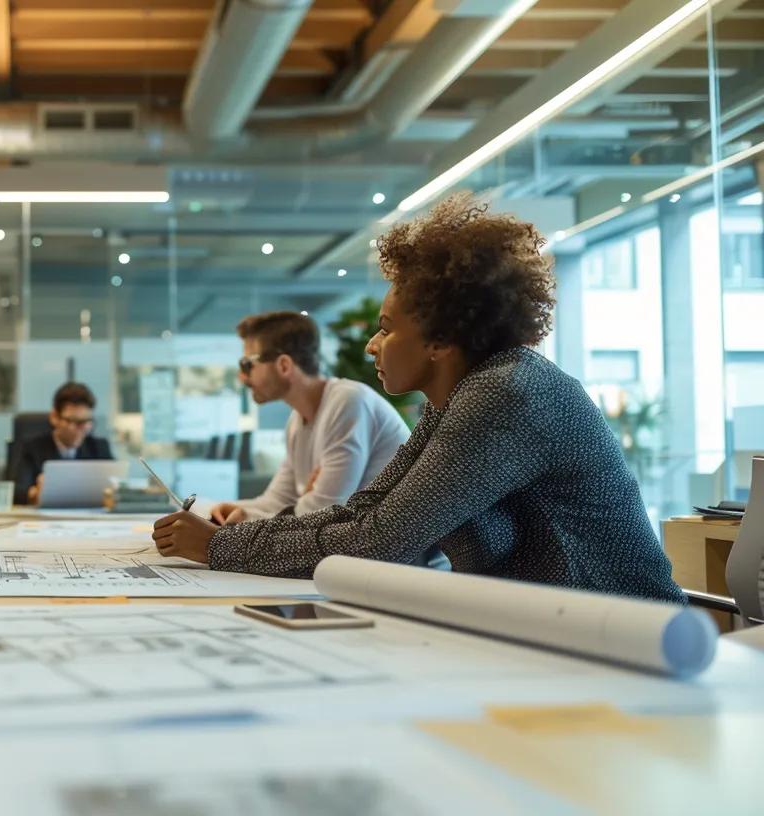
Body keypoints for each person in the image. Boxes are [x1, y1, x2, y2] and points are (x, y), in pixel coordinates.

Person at [152, 195, 685, 603]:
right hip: (552, 634)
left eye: (386, 329)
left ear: (440, 341)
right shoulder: (456, 398)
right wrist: (232, 539)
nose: (371, 344)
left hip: (628, 645)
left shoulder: (506, 395)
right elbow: (367, 511)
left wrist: (219, 546)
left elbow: (381, 540)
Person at [208, 312, 407, 525]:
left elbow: (326, 513)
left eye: (247, 364)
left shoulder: (348, 402)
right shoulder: (297, 420)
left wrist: (300, 503)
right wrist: (237, 510)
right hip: (354, 550)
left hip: (391, 556)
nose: (242, 376)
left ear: (284, 365)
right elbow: (277, 501)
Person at [13, 382, 114, 505]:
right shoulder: (32, 448)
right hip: (43, 520)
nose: (81, 429)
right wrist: (35, 493)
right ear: (54, 417)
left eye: (86, 421)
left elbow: (116, 486)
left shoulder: (99, 447)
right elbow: (16, 490)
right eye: (74, 421)